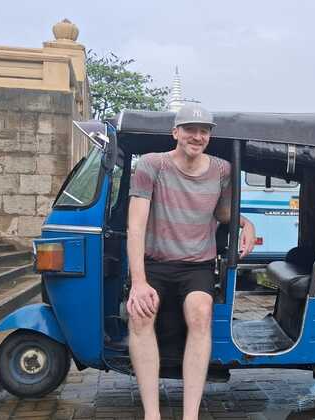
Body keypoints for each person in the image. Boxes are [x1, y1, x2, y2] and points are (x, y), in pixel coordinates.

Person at [126, 103, 256, 420]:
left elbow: (222, 213)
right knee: (141, 315)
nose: (197, 136)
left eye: (203, 131)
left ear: (209, 136)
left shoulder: (222, 170)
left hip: (197, 264)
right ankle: (152, 414)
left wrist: (245, 223)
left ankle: (191, 415)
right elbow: (136, 227)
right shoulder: (150, 165)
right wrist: (139, 283)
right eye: (190, 129)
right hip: (155, 262)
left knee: (201, 313)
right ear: (176, 133)